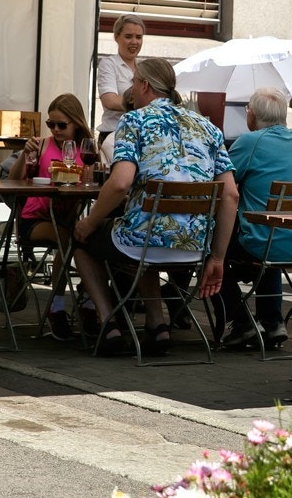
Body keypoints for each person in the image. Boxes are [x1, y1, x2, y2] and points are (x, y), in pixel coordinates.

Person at [73, 58, 239, 355]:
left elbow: (121, 183)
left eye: (134, 82)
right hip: (195, 247)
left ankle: (109, 323)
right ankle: (156, 324)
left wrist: (89, 223)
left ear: (145, 85)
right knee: (141, 231)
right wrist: (216, 258)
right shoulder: (208, 127)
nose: (131, 89)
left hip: (143, 241)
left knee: (83, 244)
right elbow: (231, 196)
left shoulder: (134, 120)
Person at [217, 87, 292, 350]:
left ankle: (241, 323)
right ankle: (272, 321)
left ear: (252, 116)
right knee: (270, 230)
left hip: (263, 243)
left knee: (210, 252)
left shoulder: (250, 141)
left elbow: (222, 182)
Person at [6, 93, 96, 342]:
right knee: (68, 240)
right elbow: (13, 181)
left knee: (93, 238)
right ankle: (57, 308)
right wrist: (25, 154)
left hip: (69, 218)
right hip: (34, 218)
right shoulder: (42, 145)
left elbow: (93, 182)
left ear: (76, 123)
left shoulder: (87, 148)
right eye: (51, 124)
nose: (55, 130)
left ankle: (88, 303)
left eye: (61, 125)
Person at [96, 15, 146, 155]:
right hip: (114, 134)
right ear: (116, 37)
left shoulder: (144, 68)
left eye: (139, 37)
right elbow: (110, 101)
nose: (134, 42)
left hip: (138, 136)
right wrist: (144, 105)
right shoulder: (108, 64)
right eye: (128, 36)